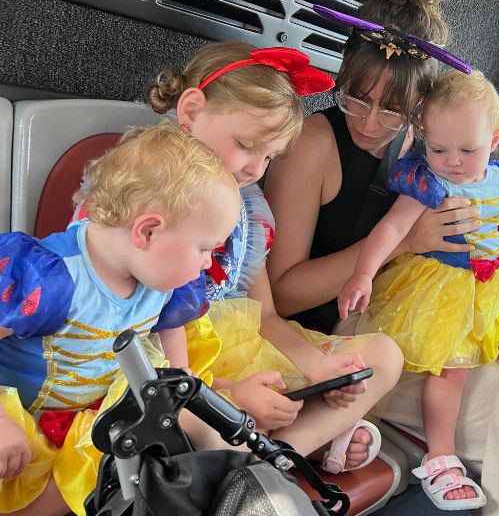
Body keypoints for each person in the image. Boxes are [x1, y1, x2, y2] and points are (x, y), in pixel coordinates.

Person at [264, 0, 499, 515]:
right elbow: (284, 295)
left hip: (459, 294)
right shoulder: (314, 141)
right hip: (359, 324)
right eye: (356, 99)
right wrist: (407, 243)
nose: (370, 122)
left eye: (393, 109)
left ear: (421, 107)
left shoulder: (431, 144)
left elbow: (481, 185)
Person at [147, 42, 404, 475]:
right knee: (203, 421)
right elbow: (132, 335)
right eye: (247, 146)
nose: (255, 169)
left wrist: (319, 367)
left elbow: (264, 316)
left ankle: (275, 456)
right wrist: (233, 394)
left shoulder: (247, 211)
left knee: (384, 355)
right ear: (190, 112)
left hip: (241, 350)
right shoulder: (145, 196)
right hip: (170, 365)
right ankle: (253, 443)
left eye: (268, 157)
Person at [338, 69, 499, 509]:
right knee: (450, 369)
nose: (453, 160)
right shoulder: (431, 180)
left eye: (468, 149)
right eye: (438, 148)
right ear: (423, 137)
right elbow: (391, 229)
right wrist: (364, 273)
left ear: (497, 137)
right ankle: (439, 456)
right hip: (440, 285)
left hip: (494, 278)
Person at [0, 123, 242, 516]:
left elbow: (175, 355)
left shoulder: (159, 278)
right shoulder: (48, 279)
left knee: (206, 428)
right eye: (204, 248)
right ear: (148, 231)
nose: (207, 264)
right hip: (22, 423)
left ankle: (251, 490)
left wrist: (184, 388)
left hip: (98, 415)